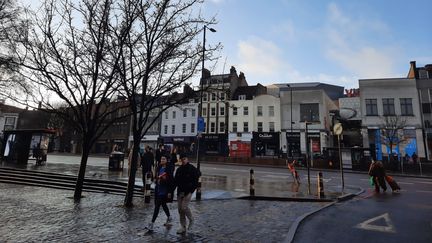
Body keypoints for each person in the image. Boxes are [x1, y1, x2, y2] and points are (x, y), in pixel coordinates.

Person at [174, 153, 199, 234]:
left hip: (188, 192)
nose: (183, 160)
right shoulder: (179, 169)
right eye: (182, 159)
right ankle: (183, 227)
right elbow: (175, 181)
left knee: (184, 208)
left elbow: (196, 179)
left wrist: (192, 190)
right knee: (180, 210)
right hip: (180, 192)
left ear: (187, 159)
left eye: (184, 159)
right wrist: (171, 191)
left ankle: (191, 219)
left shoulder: (192, 169)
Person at [147, 155, 173, 231]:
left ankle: (152, 223)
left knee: (157, 206)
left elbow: (171, 181)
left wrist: (169, 191)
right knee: (163, 204)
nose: (162, 160)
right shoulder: (159, 167)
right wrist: (156, 179)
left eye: (164, 159)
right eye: (161, 159)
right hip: (158, 189)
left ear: (166, 160)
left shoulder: (168, 169)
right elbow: (156, 177)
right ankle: (169, 217)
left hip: (164, 191)